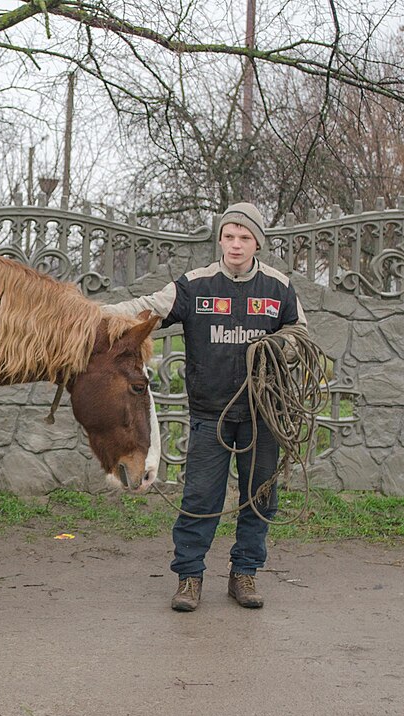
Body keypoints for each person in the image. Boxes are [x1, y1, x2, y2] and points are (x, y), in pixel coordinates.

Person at [103, 202, 308, 612]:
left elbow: (300, 332)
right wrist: (99, 313)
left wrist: (278, 346)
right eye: (229, 236)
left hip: (263, 413)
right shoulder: (195, 285)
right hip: (210, 414)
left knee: (259, 496)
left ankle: (245, 573)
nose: (235, 244)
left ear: (257, 244)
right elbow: (149, 308)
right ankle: (190, 577)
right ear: (220, 239)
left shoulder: (278, 287)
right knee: (200, 498)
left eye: (245, 238)